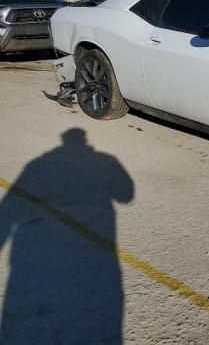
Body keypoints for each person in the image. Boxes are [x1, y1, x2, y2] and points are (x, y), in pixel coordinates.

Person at [0, 128, 134, 344]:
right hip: (98, 252)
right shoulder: (106, 160)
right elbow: (127, 195)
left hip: (40, 258)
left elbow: (8, 209)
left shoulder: (38, 163)